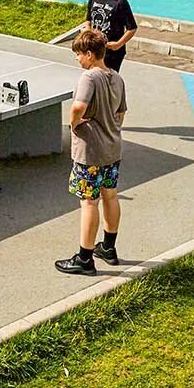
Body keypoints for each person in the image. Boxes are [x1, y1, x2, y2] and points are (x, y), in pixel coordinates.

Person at [54, 28, 126, 275]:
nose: (77, 59)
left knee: (88, 203)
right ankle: (108, 247)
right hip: (112, 149)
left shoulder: (89, 78)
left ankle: (84, 259)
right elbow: (121, 113)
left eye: (78, 54)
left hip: (91, 153)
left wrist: (74, 124)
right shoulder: (116, 77)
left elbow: (78, 107)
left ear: (88, 54)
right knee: (111, 196)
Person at [85, 0, 138, 72]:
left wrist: (118, 44)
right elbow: (89, 20)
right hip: (95, 49)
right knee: (95, 77)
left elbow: (132, 28)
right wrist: (87, 34)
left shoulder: (120, 3)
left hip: (112, 52)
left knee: (108, 80)